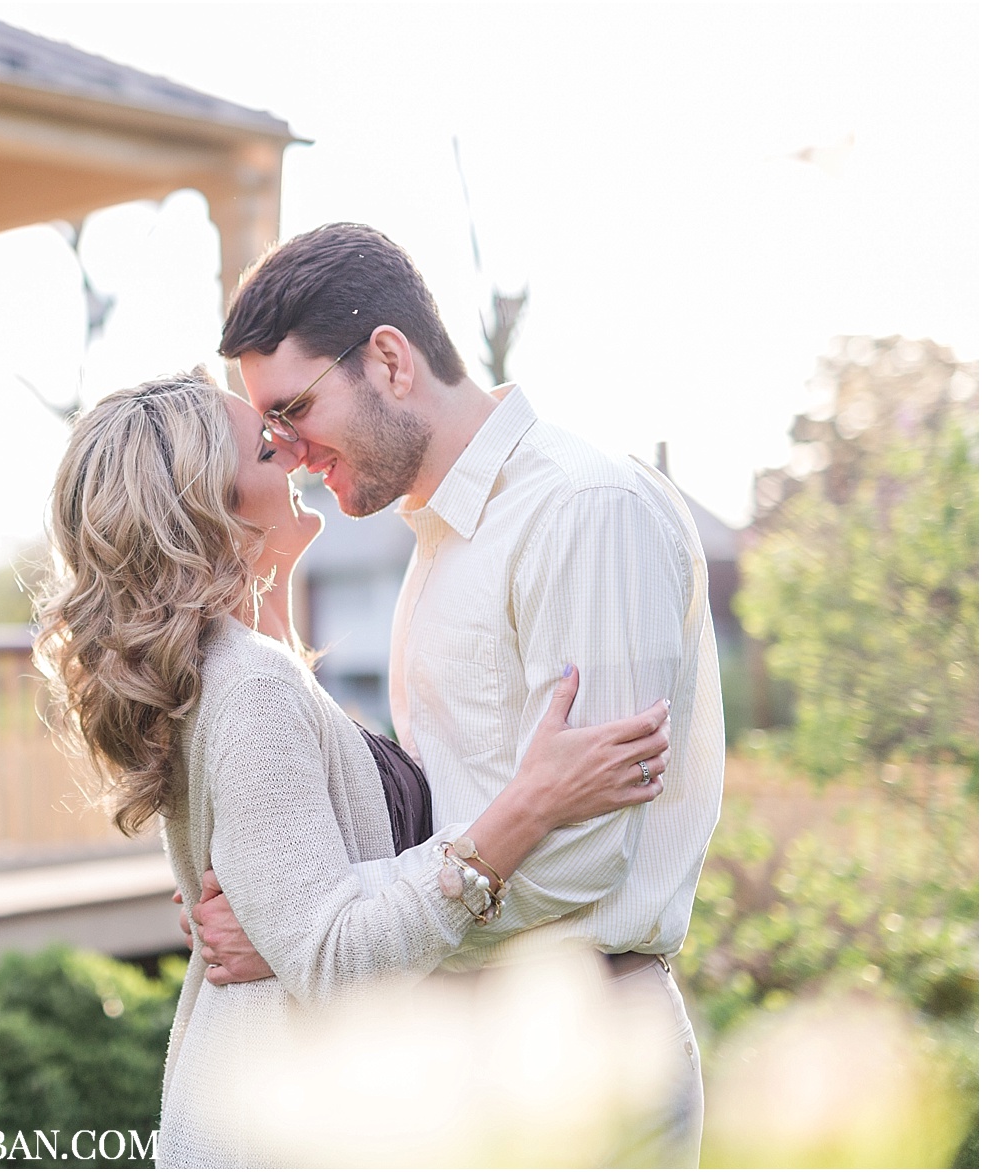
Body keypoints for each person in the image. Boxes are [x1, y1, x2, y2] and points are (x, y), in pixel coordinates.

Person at [34, 371, 673, 1168]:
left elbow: (309, 873)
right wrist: (530, 804)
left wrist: (269, 555)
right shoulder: (253, 688)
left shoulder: (218, 669)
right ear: (213, 505)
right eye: (269, 449)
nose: (298, 458)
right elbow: (334, 960)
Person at [196, 222, 723, 1166]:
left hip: (584, 1053)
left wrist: (324, 941)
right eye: (269, 430)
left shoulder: (578, 511)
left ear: (389, 360)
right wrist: (306, 913)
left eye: (294, 410)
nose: (288, 450)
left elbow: (581, 858)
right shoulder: (442, 542)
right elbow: (460, 812)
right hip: (470, 1054)